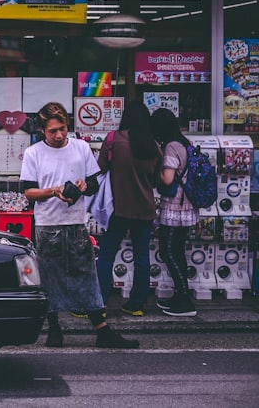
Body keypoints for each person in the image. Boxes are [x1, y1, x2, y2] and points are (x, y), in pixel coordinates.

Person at [20, 101, 139, 349]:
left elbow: (95, 182)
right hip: (47, 224)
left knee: (87, 275)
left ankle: (102, 330)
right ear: (43, 130)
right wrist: (55, 191)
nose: (59, 134)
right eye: (52, 130)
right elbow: (28, 192)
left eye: (62, 128)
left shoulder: (81, 148)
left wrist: (85, 186)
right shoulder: (34, 153)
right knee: (49, 278)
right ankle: (54, 329)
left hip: (76, 221)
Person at [96, 101, 161, 317]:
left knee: (106, 255)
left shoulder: (114, 140)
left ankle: (100, 305)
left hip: (117, 208)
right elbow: (155, 180)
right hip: (144, 209)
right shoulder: (153, 145)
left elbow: (101, 168)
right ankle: (136, 304)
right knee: (142, 256)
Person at [150, 108, 198, 317]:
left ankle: (185, 300)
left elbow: (167, 179)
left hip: (175, 206)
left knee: (169, 251)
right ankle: (181, 296)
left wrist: (154, 167)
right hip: (186, 205)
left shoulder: (171, 147)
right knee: (178, 251)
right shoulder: (185, 143)